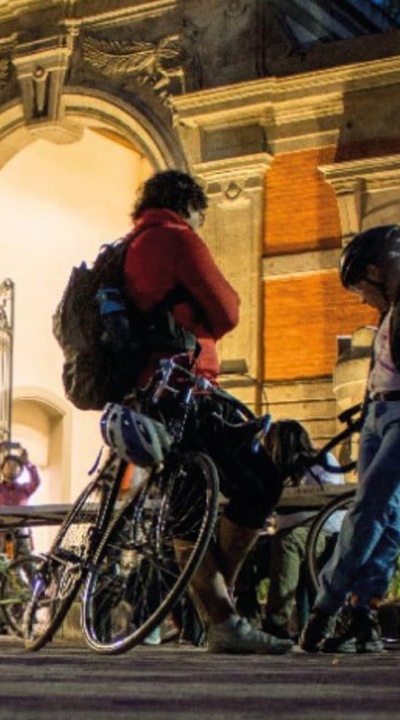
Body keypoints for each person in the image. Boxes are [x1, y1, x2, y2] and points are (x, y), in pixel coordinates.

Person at [122, 169, 292, 654]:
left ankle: (223, 618)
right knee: (260, 481)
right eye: (200, 213)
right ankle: (223, 610)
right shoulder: (178, 239)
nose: (201, 222)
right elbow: (229, 308)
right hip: (190, 389)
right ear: (186, 205)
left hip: (150, 394)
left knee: (187, 511)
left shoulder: (129, 246)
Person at [301, 225, 400, 653]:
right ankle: (363, 615)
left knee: (371, 504)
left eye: (358, 286)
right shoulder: (391, 311)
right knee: (386, 516)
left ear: (375, 269)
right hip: (379, 415)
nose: (360, 297)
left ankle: (324, 609)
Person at [232, 420, 344, 639]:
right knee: (241, 545)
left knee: (288, 541)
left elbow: (327, 500)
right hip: (285, 532)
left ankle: (276, 623)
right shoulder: (273, 469)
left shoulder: (323, 460)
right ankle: (246, 615)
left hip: (321, 531)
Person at [0, 442, 40, 634]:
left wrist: (27, 462)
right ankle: (0, 621)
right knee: (0, 576)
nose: (12, 467)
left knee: (31, 572)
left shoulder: (25, 490)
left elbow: (36, 481)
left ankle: (30, 612)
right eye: (8, 464)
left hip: (20, 538)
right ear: (2, 468)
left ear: (20, 470)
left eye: (16, 465)